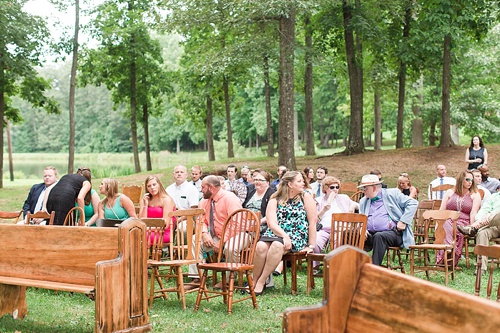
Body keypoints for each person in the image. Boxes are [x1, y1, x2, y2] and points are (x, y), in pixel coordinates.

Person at [252, 171, 317, 295]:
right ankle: (253, 281)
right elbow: (271, 223)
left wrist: (311, 245)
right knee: (260, 247)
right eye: (299, 181)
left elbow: (312, 222)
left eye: (302, 181)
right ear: (290, 184)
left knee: (277, 245)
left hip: (297, 235)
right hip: (276, 232)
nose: (303, 183)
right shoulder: (275, 199)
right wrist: (284, 236)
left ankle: (262, 281)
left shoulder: (305, 197)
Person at [186, 175, 242, 289]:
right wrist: (204, 234)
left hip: (238, 234)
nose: (201, 190)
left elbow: (236, 223)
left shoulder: (230, 198)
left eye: (203, 187)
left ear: (211, 188)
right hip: (216, 235)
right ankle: (197, 277)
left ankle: (228, 279)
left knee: (230, 247)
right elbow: (201, 220)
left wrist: (222, 241)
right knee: (194, 239)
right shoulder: (204, 201)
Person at [358, 174, 418, 266]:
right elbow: (361, 218)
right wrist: (362, 228)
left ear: (374, 188)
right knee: (349, 233)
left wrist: (403, 221)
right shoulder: (363, 201)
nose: (362, 191)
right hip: (370, 235)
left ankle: (374, 270)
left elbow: (413, 203)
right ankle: (350, 267)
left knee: (379, 236)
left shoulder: (392, 193)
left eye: (365, 188)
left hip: (393, 233)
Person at [436, 170, 481, 267]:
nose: (470, 182)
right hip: (448, 220)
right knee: (445, 224)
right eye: (467, 179)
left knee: (453, 228)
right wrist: (437, 224)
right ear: (461, 180)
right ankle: (449, 248)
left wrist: (471, 227)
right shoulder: (449, 192)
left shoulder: (475, 194)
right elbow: (442, 210)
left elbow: (473, 213)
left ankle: (447, 253)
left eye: (472, 180)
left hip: (464, 222)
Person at [314, 176, 359, 267]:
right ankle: (315, 266)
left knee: (338, 241)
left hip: (340, 228)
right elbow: (315, 219)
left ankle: (335, 265)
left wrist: (353, 206)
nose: (335, 190)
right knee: (316, 242)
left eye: (337, 187)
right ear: (325, 188)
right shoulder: (318, 200)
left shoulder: (344, 198)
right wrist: (324, 209)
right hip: (324, 228)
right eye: (332, 187)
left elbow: (358, 205)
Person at [457, 192, 500, 274]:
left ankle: (474, 227)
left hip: (489, 221)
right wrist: (479, 220)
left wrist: (490, 215)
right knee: (482, 233)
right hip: (492, 226)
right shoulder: (493, 197)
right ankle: (481, 268)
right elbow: (483, 211)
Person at [139, 175, 176, 244]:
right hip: (147, 230)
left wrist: (147, 229)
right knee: (132, 234)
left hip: (163, 232)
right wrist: (145, 205)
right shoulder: (144, 200)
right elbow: (142, 221)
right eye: (149, 186)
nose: (152, 188)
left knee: (139, 236)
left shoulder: (167, 200)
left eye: (154, 184)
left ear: (159, 185)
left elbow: (165, 225)